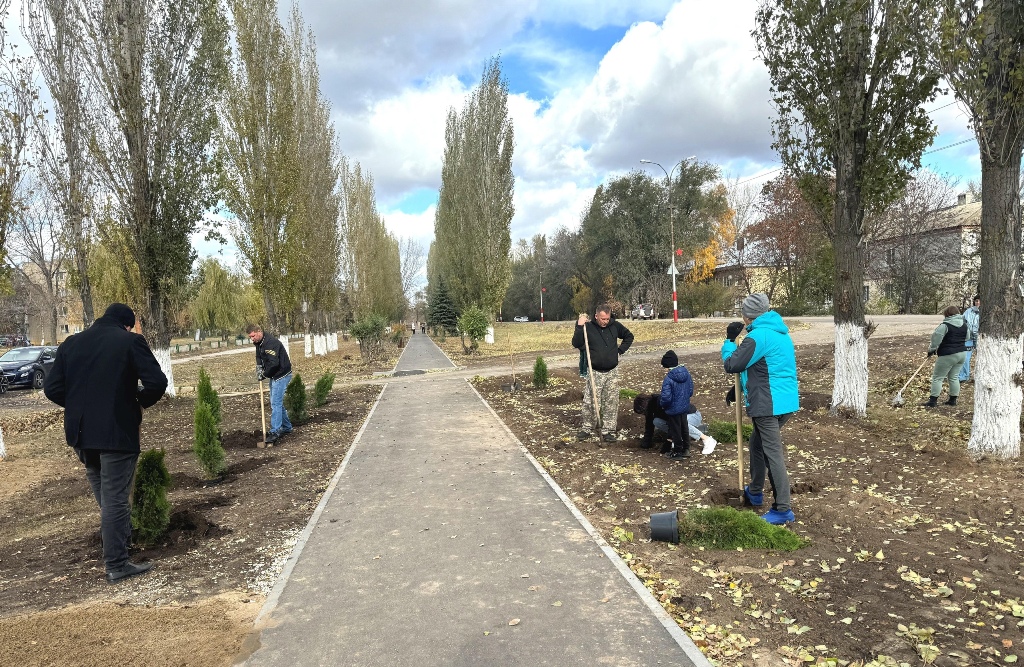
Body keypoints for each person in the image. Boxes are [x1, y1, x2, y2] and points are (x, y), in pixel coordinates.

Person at [43, 303, 168, 583]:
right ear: (126, 325)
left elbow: (51, 388)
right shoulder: (130, 341)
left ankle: (118, 542)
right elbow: (157, 383)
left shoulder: (71, 343)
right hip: (115, 432)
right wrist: (137, 402)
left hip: (81, 435)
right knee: (115, 499)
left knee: (106, 494)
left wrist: (79, 406)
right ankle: (117, 563)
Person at [723, 293, 799, 525]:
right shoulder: (780, 332)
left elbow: (733, 364)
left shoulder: (757, 337)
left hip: (768, 404)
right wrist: (738, 390)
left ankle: (782, 508)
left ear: (747, 316)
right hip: (785, 403)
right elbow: (765, 368)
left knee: (771, 452)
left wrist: (728, 341)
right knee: (757, 444)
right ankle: (755, 491)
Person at [572, 304, 634, 443]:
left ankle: (608, 431)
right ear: (596, 316)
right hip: (595, 372)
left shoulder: (615, 326)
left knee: (611, 402)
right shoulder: (588, 327)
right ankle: (587, 428)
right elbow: (576, 343)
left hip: (612, 372)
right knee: (590, 402)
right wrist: (579, 326)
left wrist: (619, 351)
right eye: (602, 319)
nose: (605, 321)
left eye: (607, 318)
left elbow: (629, 336)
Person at [658, 350, 718, 458]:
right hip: (684, 407)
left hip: (673, 409)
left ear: (668, 366)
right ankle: (686, 449)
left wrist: (664, 405)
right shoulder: (686, 373)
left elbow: (666, 397)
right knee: (684, 428)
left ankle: (677, 451)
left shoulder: (668, 378)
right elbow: (690, 391)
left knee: (676, 430)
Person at [247, 324, 293, 443]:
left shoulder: (271, 343)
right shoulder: (259, 342)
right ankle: (287, 427)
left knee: (275, 403)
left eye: (253, 336)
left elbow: (274, 364)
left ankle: (275, 431)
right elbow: (259, 356)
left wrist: (264, 374)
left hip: (281, 374)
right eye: (250, 337)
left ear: (259, 332)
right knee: (276, 402)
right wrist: (259, 367)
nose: (252, 339)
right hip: (275, 374)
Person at [923, 305, 968, 407]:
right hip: (961, 354)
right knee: (954, 377)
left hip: (948, 355)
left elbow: (936, 339)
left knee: (938, 378)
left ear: (947, 314)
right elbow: (967, 336)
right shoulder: (964, 325)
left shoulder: (945, 325)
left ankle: (933, 401)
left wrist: (931, 350)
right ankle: (953, 400)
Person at [721, 321, 747, 405]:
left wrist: (731, 339)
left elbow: (731, 364)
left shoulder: (757, 337)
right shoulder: (782, 335)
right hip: (783, 400)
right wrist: (739, 387)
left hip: (767, 405)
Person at [958, 296, 980, 382]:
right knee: (965, 358)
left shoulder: (985, 312)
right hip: (968, 339)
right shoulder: (968, 311)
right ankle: (964, 376)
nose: (978, 303)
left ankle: (978, 377)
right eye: (976, 301)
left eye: (980, 301)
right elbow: (961, 321)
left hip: (982, 339)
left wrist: (977, 342)